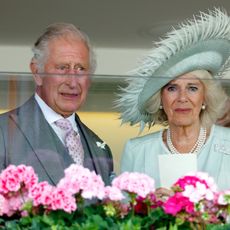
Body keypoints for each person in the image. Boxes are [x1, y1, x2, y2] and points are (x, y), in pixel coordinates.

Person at [117, 8, 230, 191]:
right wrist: (150, 207)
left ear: (205, 98)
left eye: (192, 88)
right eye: (171, 88)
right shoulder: (137, 150)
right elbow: (123, 214)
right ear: (160, 98)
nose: (182, 98)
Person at [0, 23, 113, 185]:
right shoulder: (3, 132)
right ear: (37, 72)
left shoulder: (100, 148)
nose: (73, 82)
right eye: (62, 68)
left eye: (81, 69)